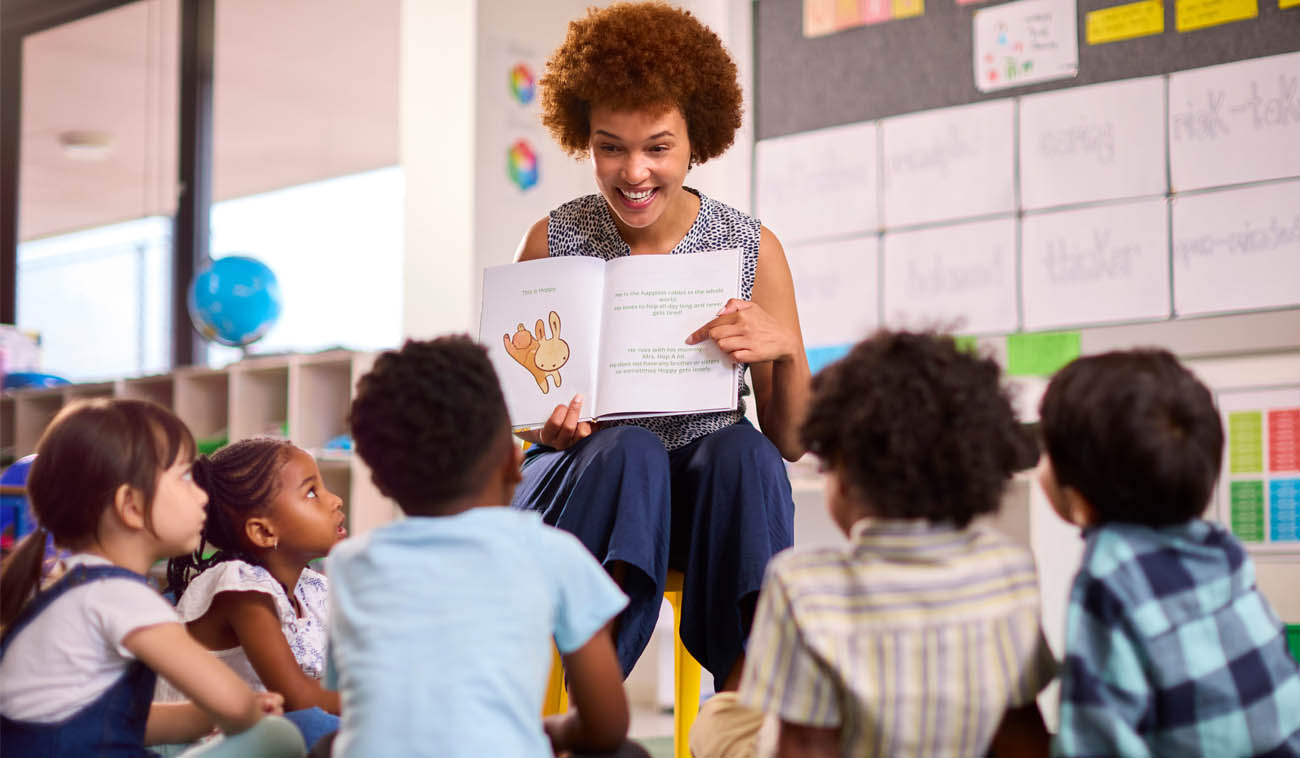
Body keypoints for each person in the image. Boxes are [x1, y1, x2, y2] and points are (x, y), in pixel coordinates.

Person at [511, 0, 811, 692]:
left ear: (696, 141)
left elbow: (791, 440)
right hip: (588, 491)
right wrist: (549, 432)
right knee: (632, 450)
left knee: (748, 452)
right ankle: (596, 704)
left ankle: (744, 702)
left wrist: (785, 352)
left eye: (658, 147)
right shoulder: (551, 240)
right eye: (610, 146)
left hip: (704, 501)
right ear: (585, 138)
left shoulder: (750, 247)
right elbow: (521, 423)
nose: (633, 172)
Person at [699, 331, 1055, 757]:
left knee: (718, 717)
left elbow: (803, 746)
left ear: (844, 474)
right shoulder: (1007, 567)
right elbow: (1022, 730)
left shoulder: (803, 585)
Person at [323, 336, 647, 757]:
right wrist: (550, 733)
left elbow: (353, 704)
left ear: (381, 482)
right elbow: (605, 727)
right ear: (514, 463)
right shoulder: (553, 553)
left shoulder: (348, 564)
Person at [0, 398, 304, 758]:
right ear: (131, 506)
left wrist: (203, 716)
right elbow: (236, 707)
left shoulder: (71, 584)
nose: (201, 494)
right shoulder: (120, 596)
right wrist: (248, 710)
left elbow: (121, 724)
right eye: (184, 477)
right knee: (280, 737)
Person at [1038, 349, 1300, 756]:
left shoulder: (1109, 574)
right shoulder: (1221, 551)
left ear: (1081, 503)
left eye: (1047, 452)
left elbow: (1095, 740)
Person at [161, 438, 347, 749]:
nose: (336, 500)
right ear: (263, 532)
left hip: (262, 737)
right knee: (311, 725)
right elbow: (297, 697)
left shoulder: (313, 587)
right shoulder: (237, 588)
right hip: (200, 747)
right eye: (312, 492)